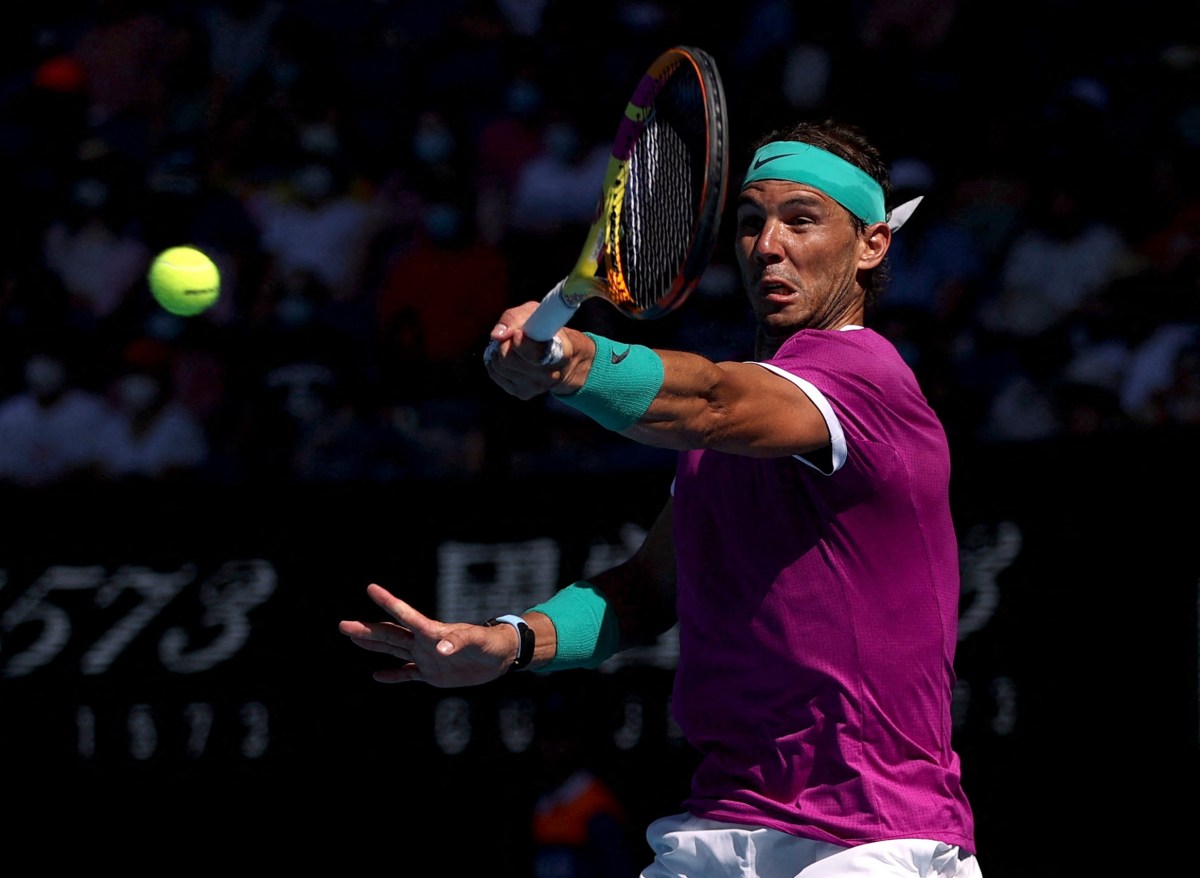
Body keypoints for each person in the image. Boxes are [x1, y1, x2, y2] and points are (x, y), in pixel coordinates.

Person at [340, 118, 982, 876]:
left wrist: (572, 360)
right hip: (721, 822)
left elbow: (709, 399)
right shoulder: (732, 441)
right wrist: (508, 641)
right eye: (751, 223)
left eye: (801, 220)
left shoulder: (864, 379)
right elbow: (648, 589)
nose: (767, 245)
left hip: (872, 837)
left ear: (871, 244)